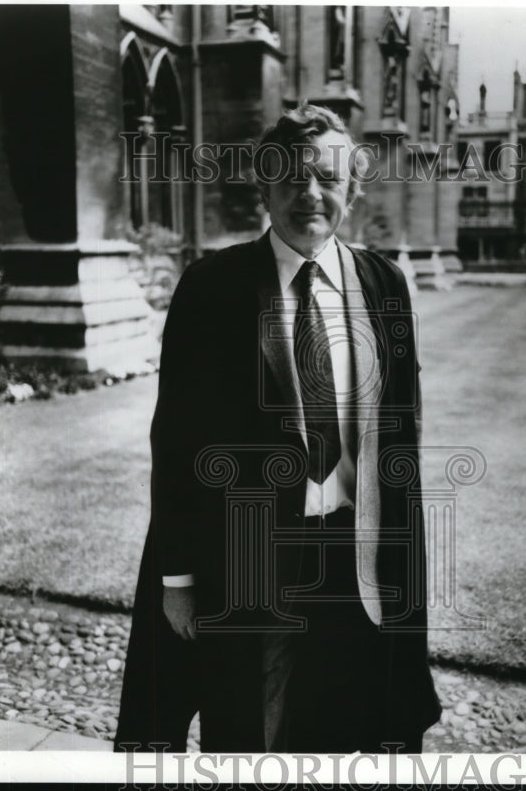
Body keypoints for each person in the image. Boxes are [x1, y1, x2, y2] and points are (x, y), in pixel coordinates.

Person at [115, 103, 440, 754]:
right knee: (249, 733)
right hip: (250, 559)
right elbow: (176, 442)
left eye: (326, 177)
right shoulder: (212, 290)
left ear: (352, 187)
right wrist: (176, 581)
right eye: (289, 176)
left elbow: (400, 435)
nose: (309, 194)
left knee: (349, 730)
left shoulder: (385, 287)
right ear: (263, 186)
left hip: (356, 555)